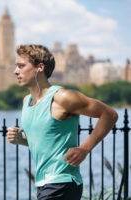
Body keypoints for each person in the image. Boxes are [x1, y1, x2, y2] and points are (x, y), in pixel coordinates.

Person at [7, 44, 118, 200]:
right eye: (16, 66)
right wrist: (22, 140)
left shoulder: (62, 98)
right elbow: (46, 141)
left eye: (21, 66)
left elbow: (109, 114)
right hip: (43, 184)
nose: (15, 71)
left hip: (62, 183)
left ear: (40, 67)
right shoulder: (27, 102)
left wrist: (84, 149)